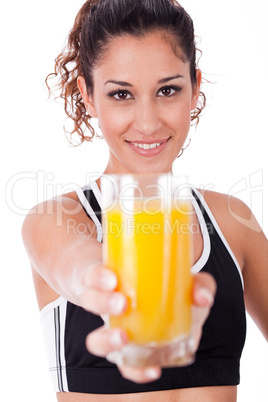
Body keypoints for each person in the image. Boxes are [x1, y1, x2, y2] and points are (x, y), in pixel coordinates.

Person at [22, 0, 268, 401]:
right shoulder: (58, 219)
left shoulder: (232, 220)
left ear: (195, 88)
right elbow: (79, 267)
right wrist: (107, 290)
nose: (149, 121)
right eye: (121, 95)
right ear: (87, 95)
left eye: (167, 90)